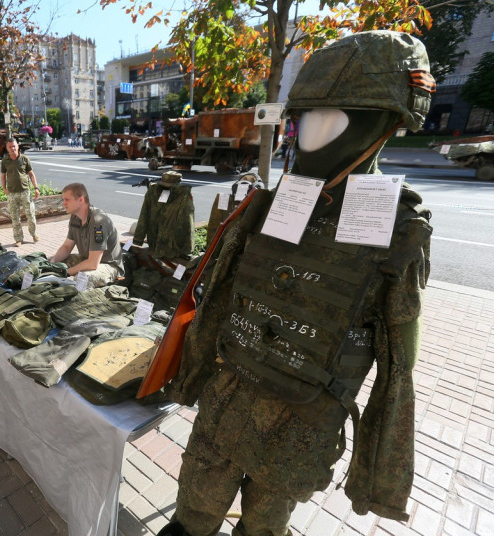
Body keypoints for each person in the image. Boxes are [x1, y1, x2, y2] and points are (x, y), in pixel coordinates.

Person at [159, 31, 435, 536]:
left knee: (264, 527)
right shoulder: (274, 202)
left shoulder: (398, 233)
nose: (312, 134)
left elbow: (399, 370)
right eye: (305, 118)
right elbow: (219, 296)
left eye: (336, 119)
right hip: (228, 398)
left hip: (301, 423)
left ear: (386, 124)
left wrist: (378, 477)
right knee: (192, 516)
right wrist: (191, 377)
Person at [50, 182, 124, 288]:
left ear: (81, 200)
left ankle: (75, 302)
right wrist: (52, 263)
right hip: (86, 259)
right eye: (63, 200)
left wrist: (66, 272)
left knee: (82, 279)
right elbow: (67, 247)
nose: (64, 203)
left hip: (109, 266)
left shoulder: (98, 221)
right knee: (50, 263)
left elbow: (93, 263)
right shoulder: (75, 217)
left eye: (67, 200)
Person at [0, 137, 40, 246]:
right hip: (12, 193)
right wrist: (4, 188)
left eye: (14, 146)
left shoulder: (25, 159)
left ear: (17, 146)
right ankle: (18, 239)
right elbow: (3, 176)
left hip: (25, 191)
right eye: (10, 147)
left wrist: (36, 188)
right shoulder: (5, 161)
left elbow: (31, 174)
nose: (12, 148)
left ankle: (34, 234)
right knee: (15, 217)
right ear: (7, 148)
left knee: (30, 214)